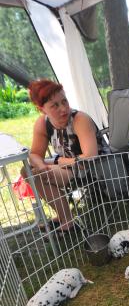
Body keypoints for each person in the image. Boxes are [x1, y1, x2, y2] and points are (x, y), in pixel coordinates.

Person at [25, 79, 109, 235]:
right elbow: (35, 154)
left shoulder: (79, 119)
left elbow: (90, 156)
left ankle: (67, 221)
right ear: (42, 109)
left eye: (64, 101)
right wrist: (42, 166)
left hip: (94, 167)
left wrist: (60, 161)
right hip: (70, 165)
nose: (63, 109)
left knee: (37, 175)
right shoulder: (42, 123)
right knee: (28, 171)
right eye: (55, 106)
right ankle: (66, 218)